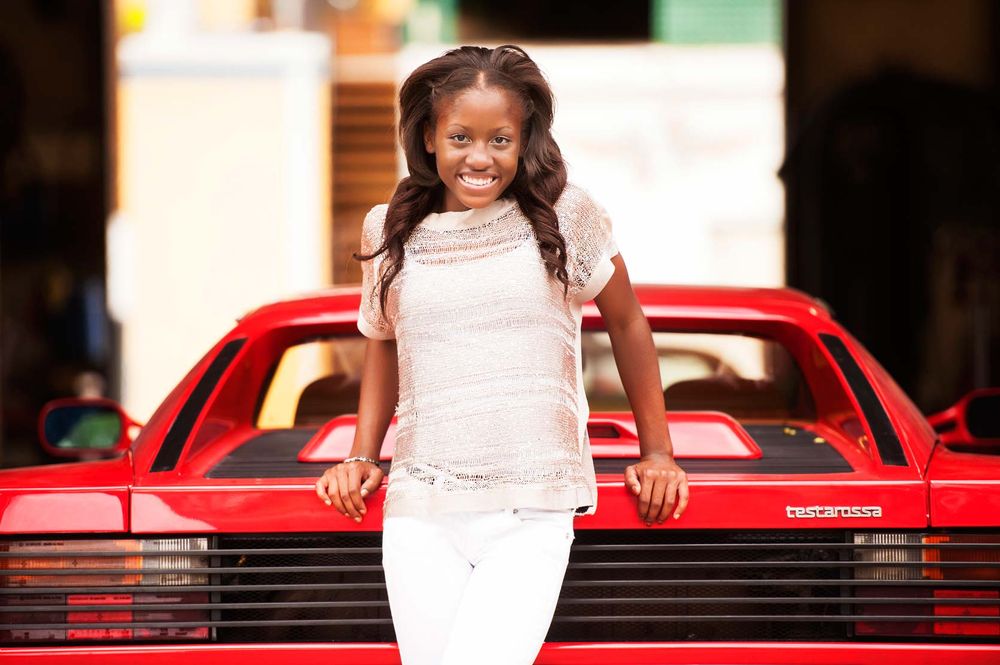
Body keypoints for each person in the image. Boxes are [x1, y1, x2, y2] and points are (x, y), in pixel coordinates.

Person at [315, 44, 689, 664]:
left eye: (500, 139)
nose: (480, 157)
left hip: (532, 506)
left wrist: (658, 453)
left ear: (525, 141)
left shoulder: (566, 215)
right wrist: (362, 454)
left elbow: (625, 322)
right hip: (418, 509)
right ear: (429, 137)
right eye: (460, 136)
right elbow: (383, 343)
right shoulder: (388, 229)